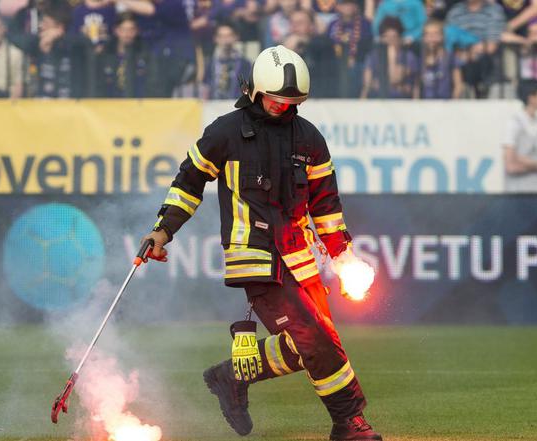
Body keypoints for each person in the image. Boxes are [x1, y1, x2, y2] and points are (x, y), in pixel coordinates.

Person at [141, 45, 382, 441]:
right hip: (253, 258)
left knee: (317, 342)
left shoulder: (309, 139)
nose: (282, 108)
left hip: (300, 260)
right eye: (274, 100)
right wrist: (163, 230)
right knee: (315, 340)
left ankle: (232, 374)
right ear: (254, 89)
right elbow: (188, 183)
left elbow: (326, 206)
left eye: (291, 103)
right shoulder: (224, 132)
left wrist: (343, 256)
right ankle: (349, 423)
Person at [24, 7, 90, 98]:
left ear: (59, 28)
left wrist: (59, 37)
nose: (41, 26)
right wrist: (43, 47)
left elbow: (86, 42)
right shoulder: (36, 43)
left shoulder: (73, 45)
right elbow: (19, 41)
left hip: (69, 104)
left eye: (46, 23)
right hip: (41, 104)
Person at [445, 0, 506, 97]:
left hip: (485, 58)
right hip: (460, 57)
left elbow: (491, 45)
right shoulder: (455, 11)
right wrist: (462, 54)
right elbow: (449, 40)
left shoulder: (494, 10)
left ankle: (480, 91)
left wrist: (471, 51)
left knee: (481, 60)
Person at [283, 9, 339, 97]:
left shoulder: (324, 44)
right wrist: (286, 52)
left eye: (300, 23)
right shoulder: (281, 47)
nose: (295, 26)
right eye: (292, 23)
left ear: (312, 26)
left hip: (319, 101)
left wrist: (304, 41)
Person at [361, 17, 419, 98]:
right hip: (377, 100)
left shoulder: (409, 57)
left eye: (394, 37)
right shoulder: (373, 56)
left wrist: (391, 55)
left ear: (400, 37)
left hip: (401, 101)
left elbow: (395, 78)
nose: (390, 40)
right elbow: (367, 83)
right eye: (386, 37)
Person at [97, 14, 149, 97]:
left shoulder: (144, 55)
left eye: (131, 30)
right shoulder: (106, 54)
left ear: (137, 31)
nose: (127, 34)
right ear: (116, 30)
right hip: (108, 104)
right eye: (123, 30)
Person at [502, 79, 537, 192]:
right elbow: (510, 164)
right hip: (519, 195)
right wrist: (536, 166)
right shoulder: (514, 123)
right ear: (531, 97)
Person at [327, 0, 372, 97]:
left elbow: (367, 45)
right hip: (335, 62)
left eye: (351, 3)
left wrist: (353, 57)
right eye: (344, 4)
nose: (348, 7)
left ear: (356, 6)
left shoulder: (364, 24)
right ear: (338, 7)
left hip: (358, 61)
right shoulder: (333, 24)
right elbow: (328, 43)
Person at [203, 22, 251, 100]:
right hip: (213, 107)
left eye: (229, 36)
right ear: (216, 39)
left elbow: (248, 89)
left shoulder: (244, 63)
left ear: (236, 37)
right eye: (221, 36)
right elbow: (206, 87)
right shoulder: (210, 63)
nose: (225, 40)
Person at [419, 19, 463, 98]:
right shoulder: (419, 58)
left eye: (436, 34)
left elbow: (458, 85)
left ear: (442, 36)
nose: (432, 38)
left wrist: (453, 104)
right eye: (428, 34)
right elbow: (416, 87)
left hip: (445, 105)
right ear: (423, 38)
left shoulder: (450, 57)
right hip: (425, 106)